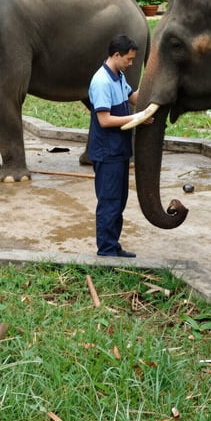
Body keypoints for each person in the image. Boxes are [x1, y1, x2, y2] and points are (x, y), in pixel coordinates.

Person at [88, 33, 146, 258]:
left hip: (119, 150)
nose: (131, 63)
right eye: (129, 59)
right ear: (116, 55)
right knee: (109, 202)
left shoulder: (119, 75)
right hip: (107, 152)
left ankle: (113, 245)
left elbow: (132, 98)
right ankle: (106, 251)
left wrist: (155, 92)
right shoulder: (101, 81)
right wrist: (137, 118)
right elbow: (105, 120)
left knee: (119, 201)